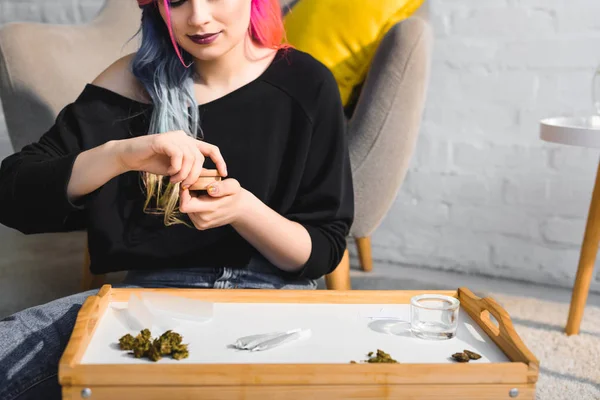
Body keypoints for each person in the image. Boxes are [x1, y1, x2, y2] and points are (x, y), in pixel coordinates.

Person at [0, 0, 354, 398]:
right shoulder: (126, 87)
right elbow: (13, 194)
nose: (199, 17)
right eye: (177, 1)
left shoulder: (307, 84)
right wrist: (121, 155)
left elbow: (322, 250)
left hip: (273, 304)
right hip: (147, 304)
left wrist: (243, 210)